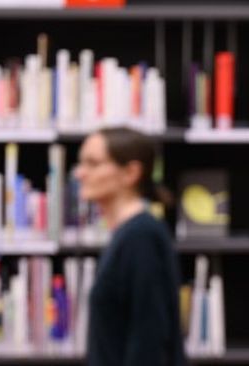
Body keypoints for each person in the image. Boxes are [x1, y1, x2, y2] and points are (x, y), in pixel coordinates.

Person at [75, 127, 185, 365]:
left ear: (130, 172)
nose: (79, 173)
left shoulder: (141, 237)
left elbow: (150, 339)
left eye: (92, 163)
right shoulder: (127, 234)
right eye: (81, 163)